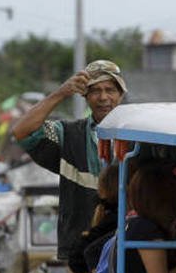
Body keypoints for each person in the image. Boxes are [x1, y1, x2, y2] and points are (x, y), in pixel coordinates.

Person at [12, 59, 127, 259]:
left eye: (110, 90)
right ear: (85, 96)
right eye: (95, 91)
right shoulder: (68, 133)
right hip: (81, 250)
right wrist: (62, 92)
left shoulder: (137, 133)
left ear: (121, 95)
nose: (103, 97)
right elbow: (22, 130)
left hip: (128, 245)